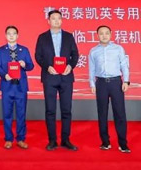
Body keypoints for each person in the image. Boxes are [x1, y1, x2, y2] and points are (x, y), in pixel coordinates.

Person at [35, 10, 79, 151]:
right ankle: (52, 140)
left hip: (66, 77)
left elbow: (75, 55)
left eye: (58, 18)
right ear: (48, 21)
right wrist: (47, 67)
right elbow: (38, 56)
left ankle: (66, 140)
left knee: (66, 110)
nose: (56, 21)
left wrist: (70, 66)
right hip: (50, 77)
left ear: (61, 20)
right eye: (53, 18)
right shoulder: (42, 37)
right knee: (50, 110)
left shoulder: (68, 36)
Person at [89, 25, 131, 153]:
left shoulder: (118, 49)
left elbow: (124, 65)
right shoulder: (93, 51)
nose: (104, 35)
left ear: (111, 34)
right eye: (101, 33)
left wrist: (126, 81)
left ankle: (123, 143)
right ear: (97, 35)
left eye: (107, 33)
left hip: (116, 83)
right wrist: (92, 84)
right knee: (102, 113)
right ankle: (105, 142)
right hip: (101, 83)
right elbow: (91, 69)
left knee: (120, 113)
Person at [0, 25, 34, 149]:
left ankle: (21, 138)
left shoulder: (24, 50)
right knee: (7, 114)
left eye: (14, 33)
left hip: (21, 87)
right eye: (9, 34)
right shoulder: (0, 50)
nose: (11, 36)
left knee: (21, 114)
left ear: (17, 35)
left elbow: (31, 66)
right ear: (5, 36)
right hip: (7, 86)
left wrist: (24, 64)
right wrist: (4, 75)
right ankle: (8, 139)